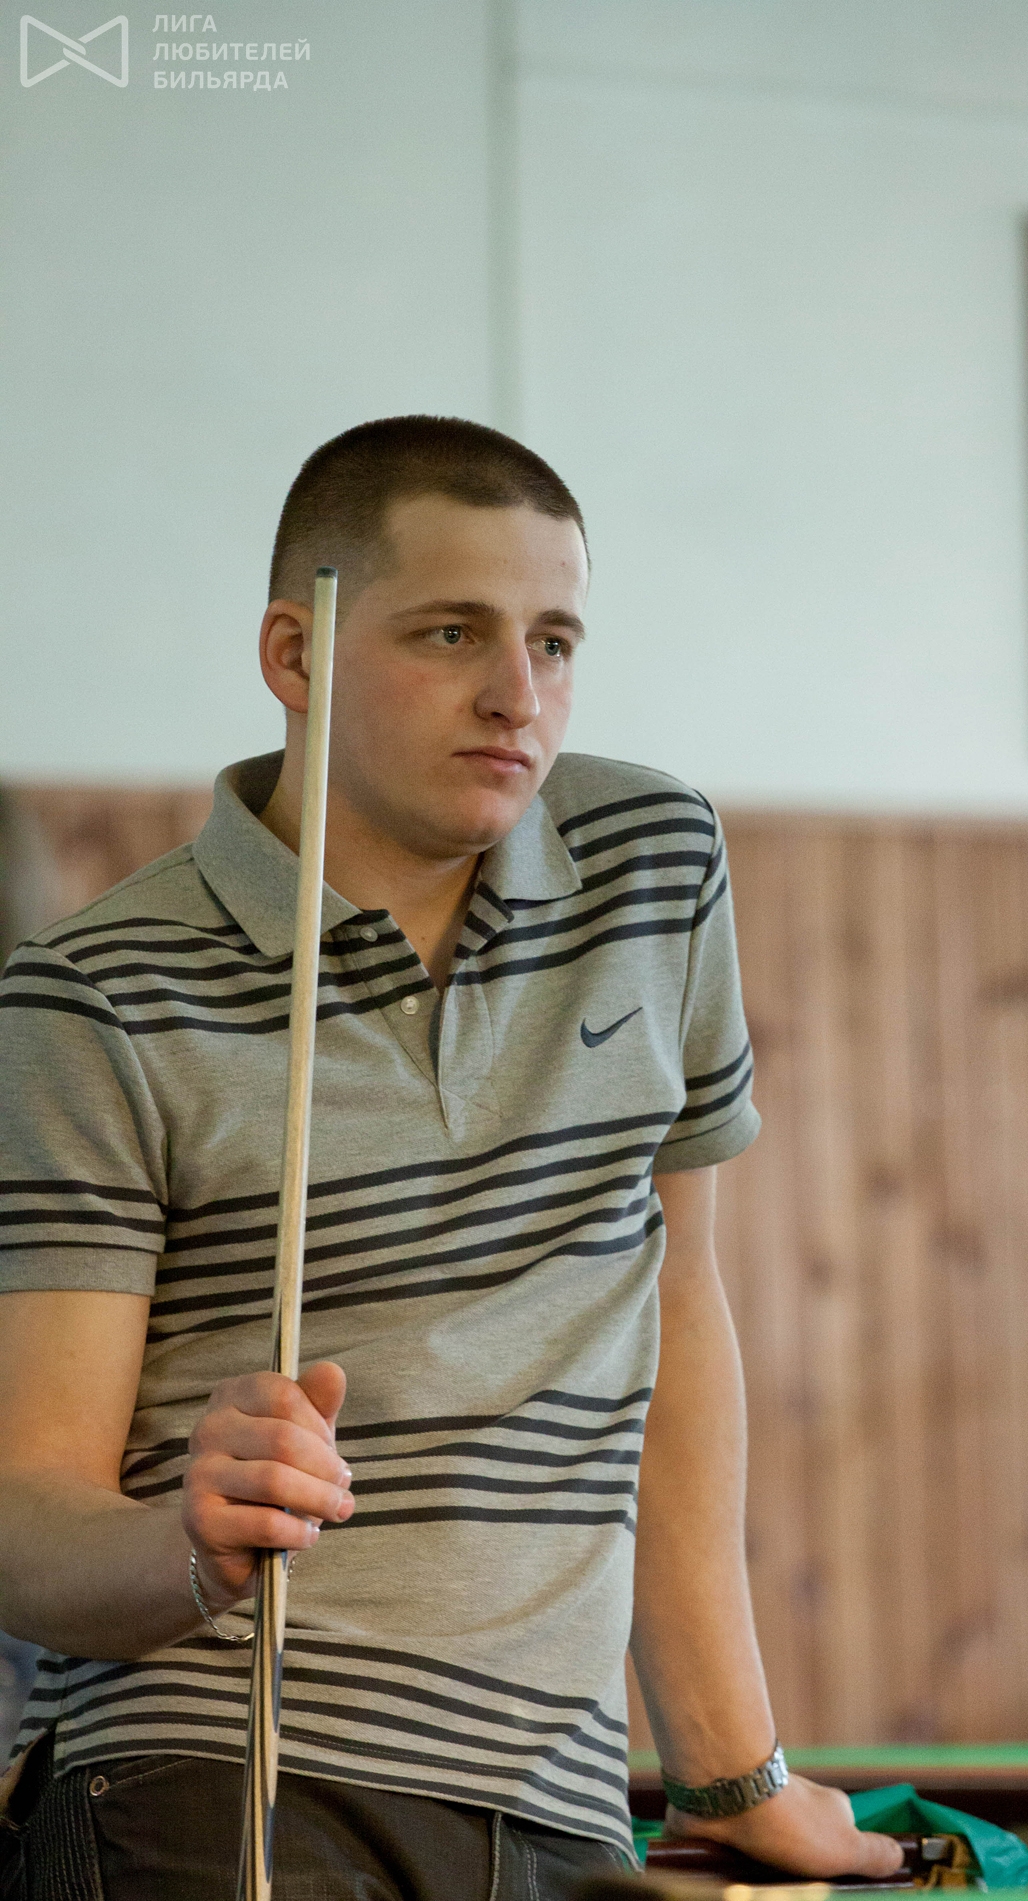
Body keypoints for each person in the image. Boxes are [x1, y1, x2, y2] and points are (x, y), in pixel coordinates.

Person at [0, 417, 904, 1900]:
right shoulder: (95, 992)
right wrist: (189, 1543)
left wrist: (736, 1771)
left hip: (555, 1794)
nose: (516, 696)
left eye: (555, 641)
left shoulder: (653, 865)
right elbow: (25, 1516)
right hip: (212, 1774)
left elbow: (672, 1311)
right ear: (296, 652)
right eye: (451, 632)